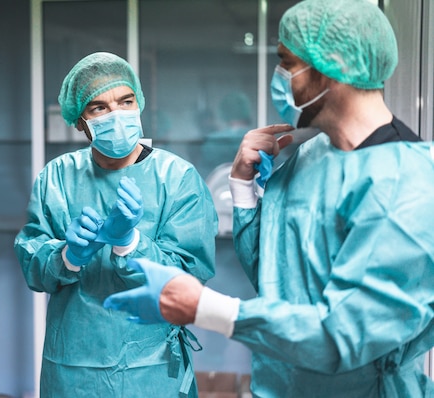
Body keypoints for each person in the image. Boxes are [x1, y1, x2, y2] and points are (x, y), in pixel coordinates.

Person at [104, 1, 434, 396]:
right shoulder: (312, 157)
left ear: (330, 65)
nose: (280, 77)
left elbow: (346, 335)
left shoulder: (407, 182)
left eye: (287, 62)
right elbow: (275, 277)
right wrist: (243, 186)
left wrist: (206, 309)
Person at [14, 52, 218, 397]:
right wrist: (68, 256)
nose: (117, 115)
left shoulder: (177, 177)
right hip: (74, 369)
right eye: (99, 108)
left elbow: (188, 278)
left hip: (152, 369)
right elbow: (34, 269)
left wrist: (128, 242)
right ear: (80, 121)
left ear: (138, 104)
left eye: (125, 102)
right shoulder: (56, 178)